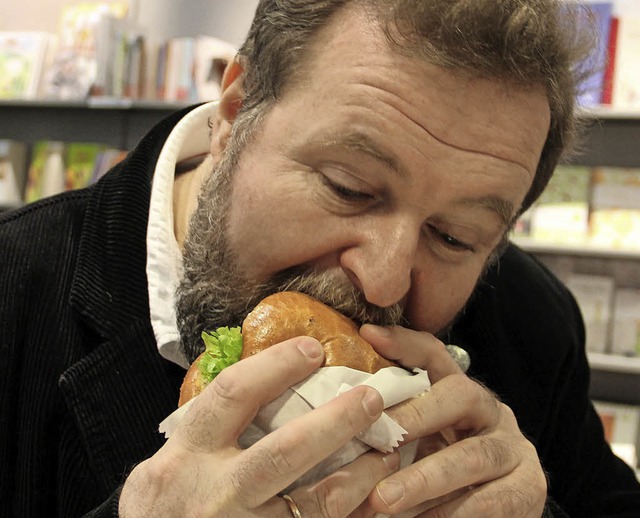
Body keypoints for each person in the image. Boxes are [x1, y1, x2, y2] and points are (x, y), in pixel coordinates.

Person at [1, 0, 639, 516]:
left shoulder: (532, 330)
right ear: (233, 115)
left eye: (453, 236)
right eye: (349, 188)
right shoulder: (14, 289)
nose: (384, 277)